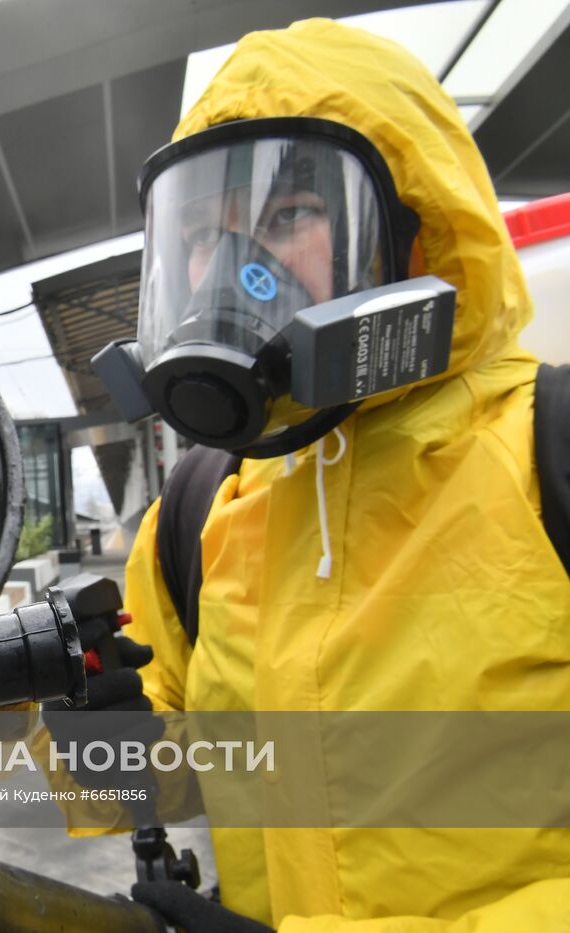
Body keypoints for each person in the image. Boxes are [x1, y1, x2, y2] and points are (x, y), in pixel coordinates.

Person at [62, 17, 570, 932]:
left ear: (421, 233)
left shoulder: (550, 455)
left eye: (289, 215)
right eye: (201, 239)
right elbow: (172, 775)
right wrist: (75, 717)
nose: (228, 276)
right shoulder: (204, 507)